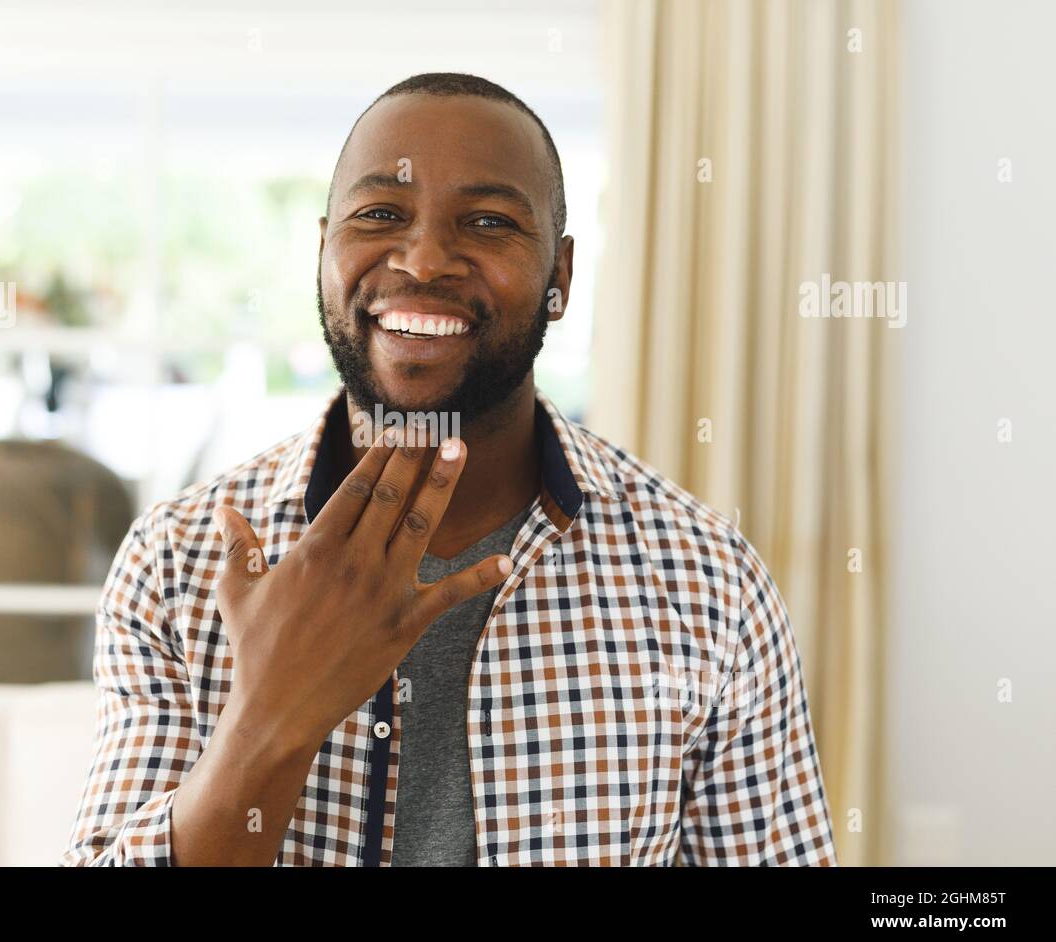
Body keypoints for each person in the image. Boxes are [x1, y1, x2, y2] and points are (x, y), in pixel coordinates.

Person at [62, 72, 837, 866]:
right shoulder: (180, 562)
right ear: (323, 250)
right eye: (379, 215)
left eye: (490, 221)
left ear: (560, 278)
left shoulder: (707, 578)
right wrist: (270, 717)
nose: (425, 259)